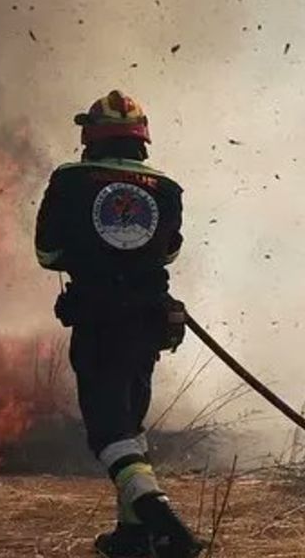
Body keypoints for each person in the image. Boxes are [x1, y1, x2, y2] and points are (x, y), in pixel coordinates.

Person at [35, 90, 207, 558]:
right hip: (149, 322)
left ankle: (163, 522)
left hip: (98, 321)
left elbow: (47, 253)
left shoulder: (70, 180)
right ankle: (133, 535)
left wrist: (87, 257)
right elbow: (170, 250)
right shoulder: (167, 188)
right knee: (130, 423)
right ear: (142, 139)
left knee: (108, 433)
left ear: (91, 135)